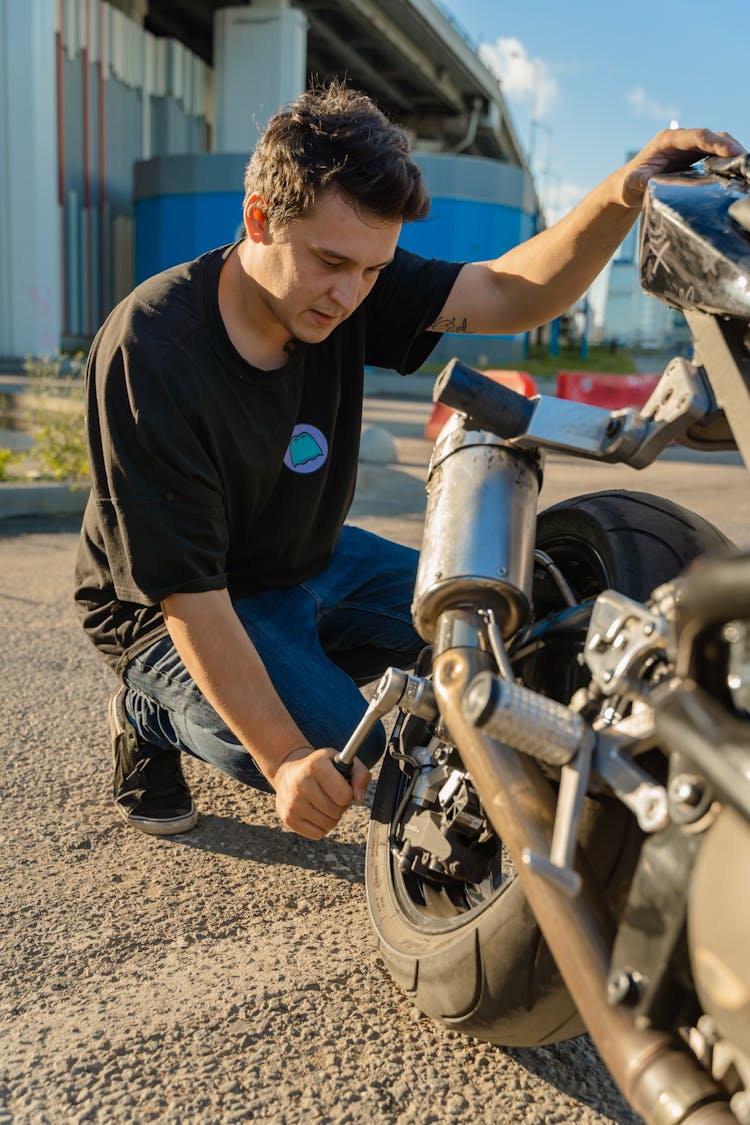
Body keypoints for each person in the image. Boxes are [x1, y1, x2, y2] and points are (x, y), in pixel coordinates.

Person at [73, 81, 743, 842]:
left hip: (305, 561)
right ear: (259, 218)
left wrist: (624, 192)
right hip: (168, 609)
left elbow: (505, 292)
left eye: (371, 270)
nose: (350, 294)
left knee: (502, 621)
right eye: (331, 262)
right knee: (351, 762)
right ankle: (147, 712)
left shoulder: (350, 283)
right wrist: (287, 756)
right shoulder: (155, 350)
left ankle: (297, 663)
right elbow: (192, 599)